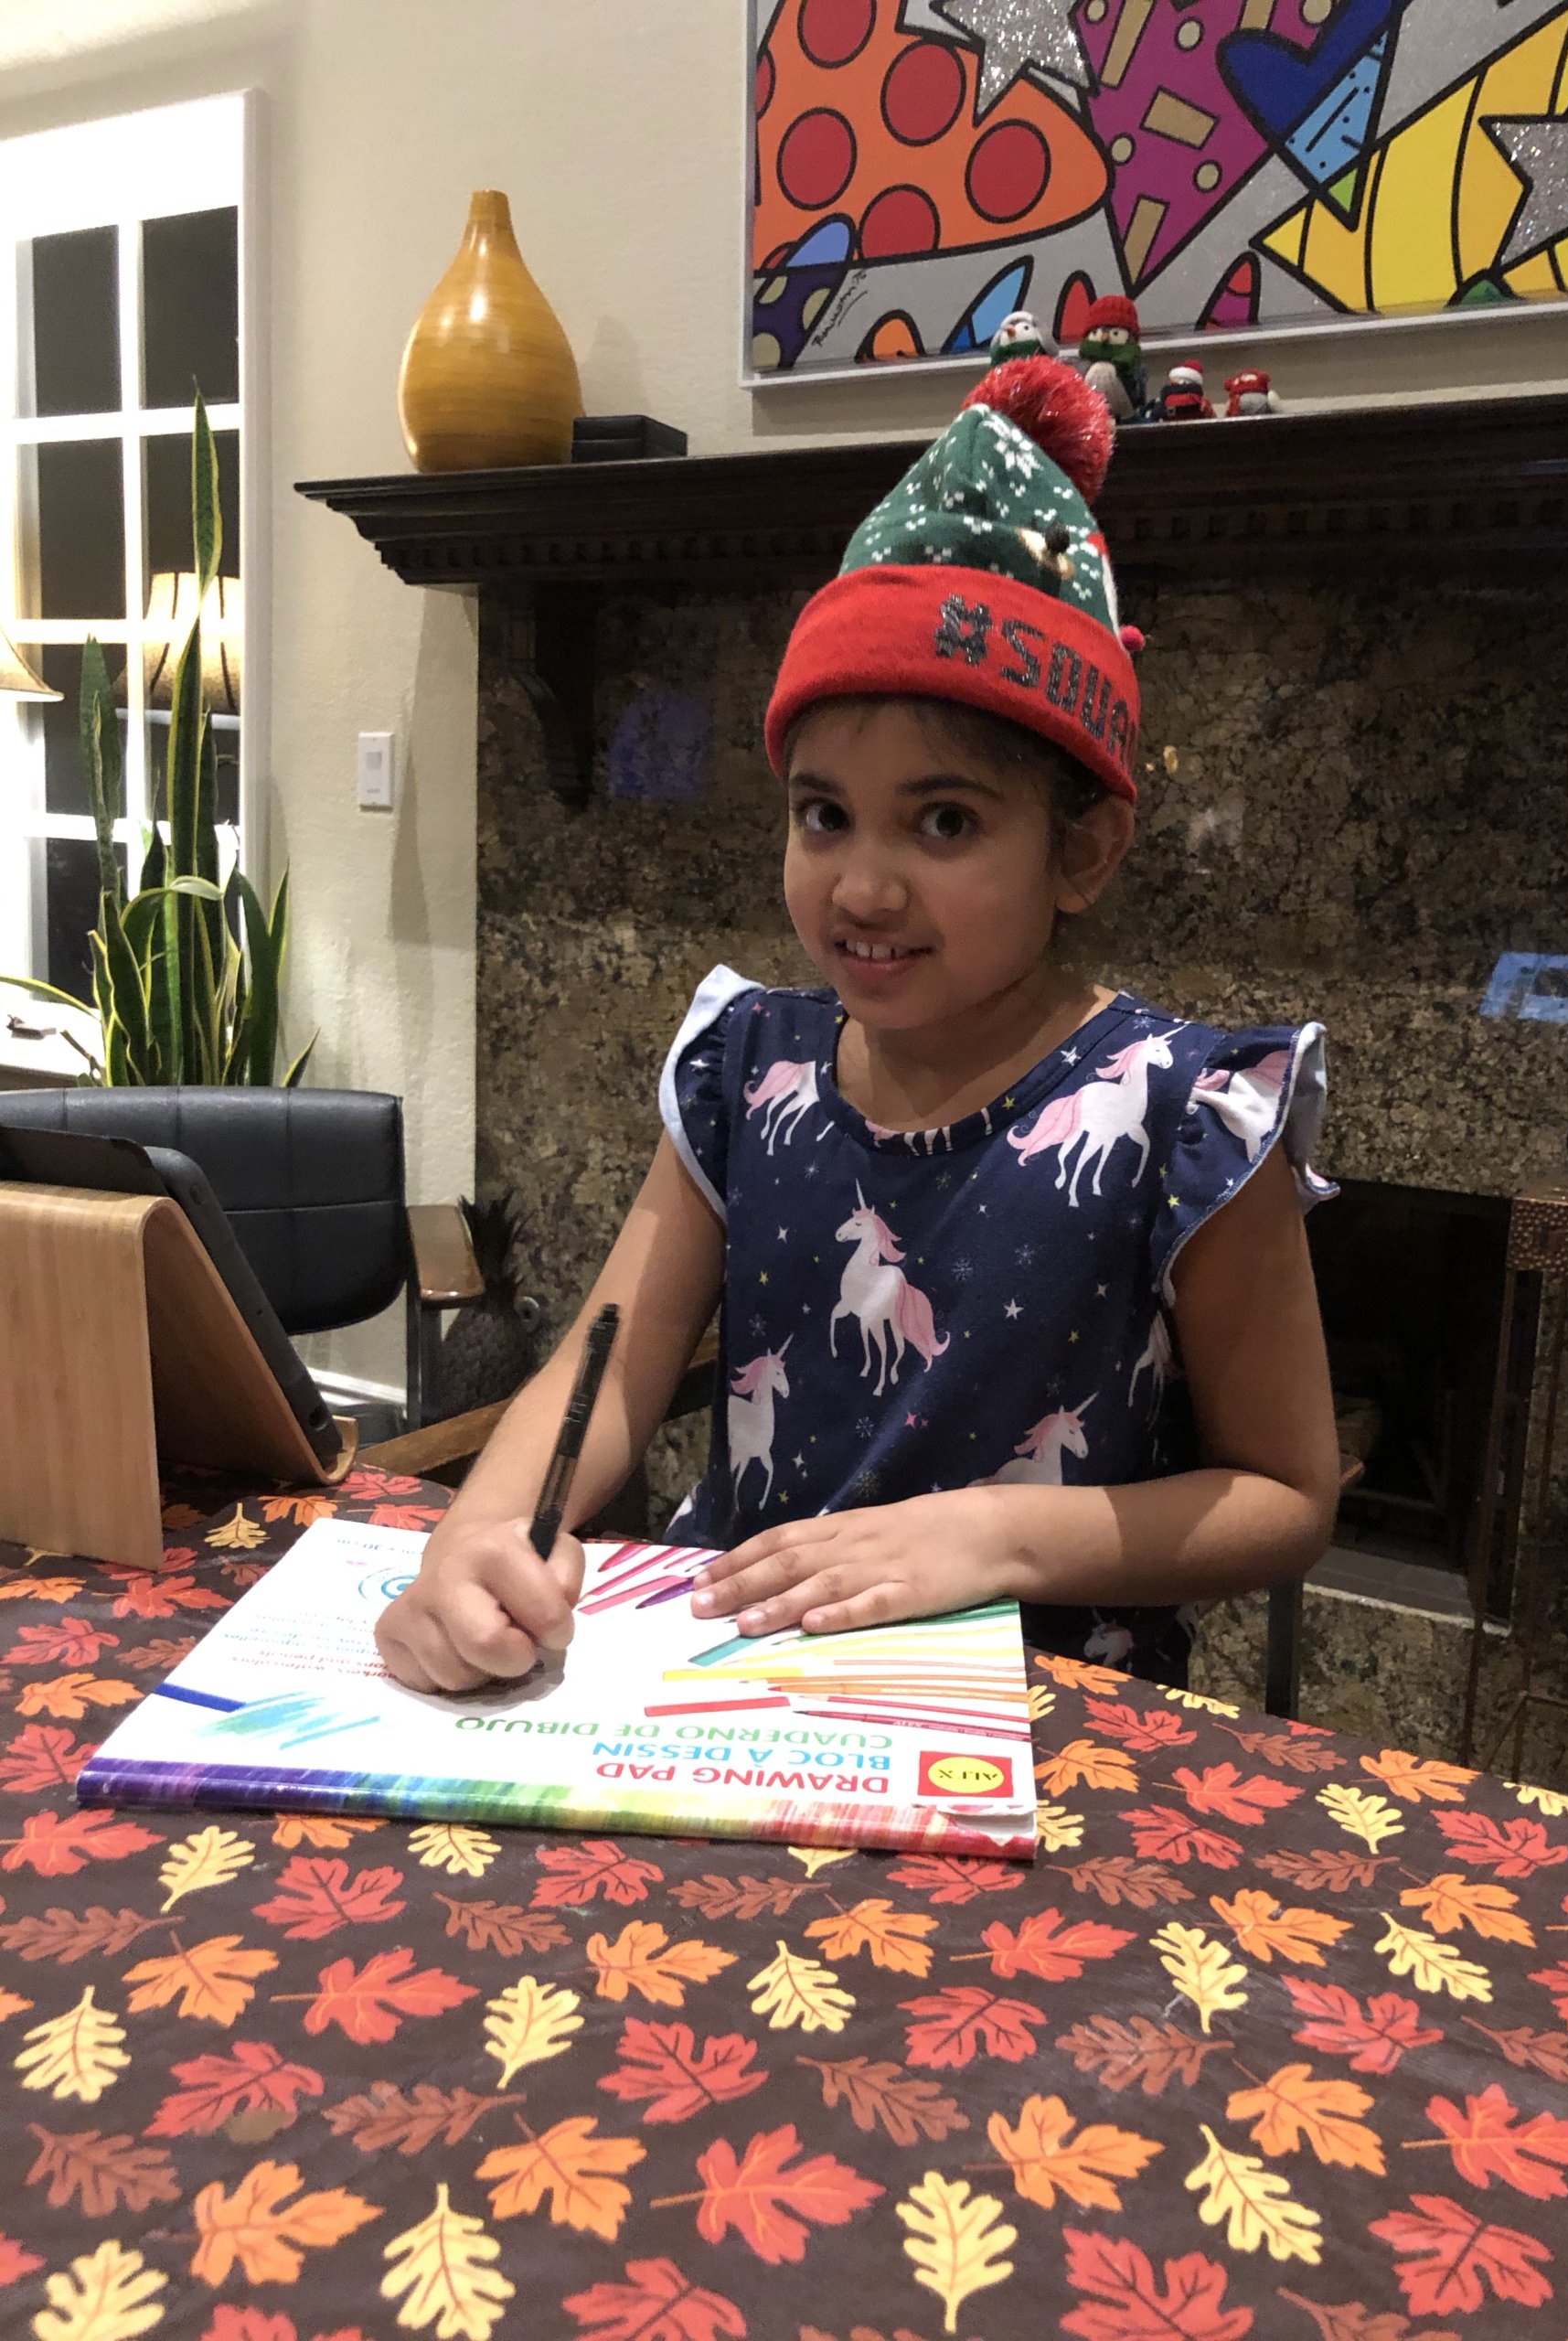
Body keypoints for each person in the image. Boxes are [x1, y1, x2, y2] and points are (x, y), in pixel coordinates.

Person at [376, 358, 1339, 1697]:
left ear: (1084, 849)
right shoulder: (744, 1069)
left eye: (944, 821)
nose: (864, 887)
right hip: (734, 1681)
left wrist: (990, 1536)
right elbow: (609, 1370)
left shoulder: (1188, 1116)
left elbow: (1286, 1494)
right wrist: (479, 1537)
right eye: (824, 814)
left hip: (1036, 1718)